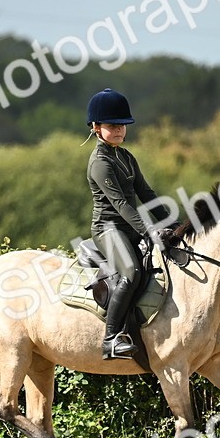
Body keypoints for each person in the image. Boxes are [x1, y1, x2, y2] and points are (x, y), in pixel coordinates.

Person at [85, 88, 173, 360]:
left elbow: (146, 194)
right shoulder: (100, 163)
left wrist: (175, 224)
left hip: (129, 227)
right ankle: (111, 338)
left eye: (123, 125)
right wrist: (149, 230)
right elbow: (121, 205)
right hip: (108, 229)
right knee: (132, 272)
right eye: (113, 125)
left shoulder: (126, 157)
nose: (120, 130)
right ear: (96, 127)